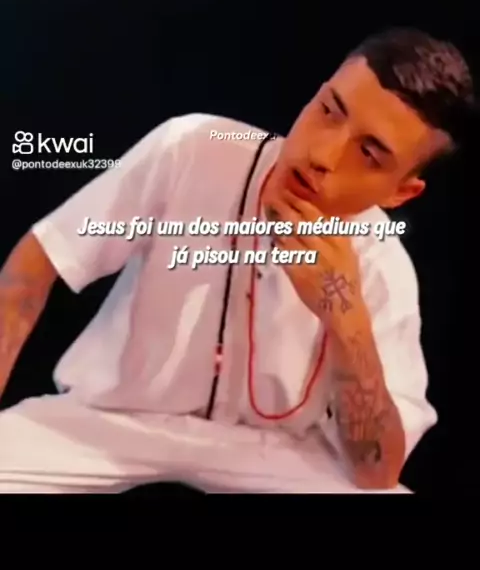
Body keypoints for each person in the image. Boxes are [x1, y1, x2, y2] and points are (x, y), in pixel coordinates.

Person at [0, 28, 474, 494]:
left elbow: (376, 474)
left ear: (400, 192)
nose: (322, 154)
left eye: (368, 153)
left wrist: (345, 315)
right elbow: (29, 272)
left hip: (274, 458)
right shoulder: (193, 148)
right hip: (108, 427)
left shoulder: (383, 266)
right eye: (329, 110)